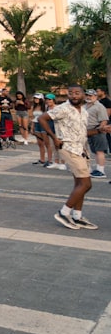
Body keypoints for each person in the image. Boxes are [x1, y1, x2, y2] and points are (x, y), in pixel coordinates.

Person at [39, 85, 98, 229]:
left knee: (80, 184)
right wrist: (54, 137)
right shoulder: (63, 108)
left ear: (83, 95)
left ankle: (77, 216)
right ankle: (63, 212)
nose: (74, 96)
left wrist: (99, 130)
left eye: (77, 93)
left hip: (81, 149)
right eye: (71, 93)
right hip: (68, 148)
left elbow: (83, 133)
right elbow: (42, 118)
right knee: (86, 184)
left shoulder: (83, 112)